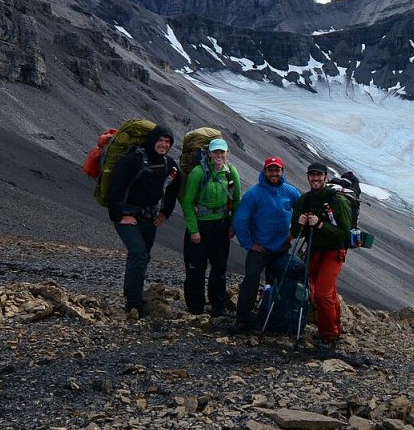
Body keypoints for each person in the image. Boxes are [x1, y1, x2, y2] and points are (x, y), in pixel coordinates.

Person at [107, 125, 181, 315]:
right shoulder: (133, 160)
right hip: (126, 216)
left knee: (143, 256)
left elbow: (173, 189)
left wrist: (165, 212)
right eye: (160, 140)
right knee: (138, 253)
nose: (164, 145)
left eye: (168, 142)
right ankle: (133, 303)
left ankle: (131, 292)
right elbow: (115, 188)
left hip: (149, 218)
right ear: (152, 140)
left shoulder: (169, 164)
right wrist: (120, 215)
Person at [230, 156, 301, 334]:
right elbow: (240, 220)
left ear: (282, 172)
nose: (274, 173)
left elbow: (302, 211)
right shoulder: (255, 193)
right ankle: (242, 320)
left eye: (277, 170)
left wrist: (294, 233)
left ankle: (272, 319)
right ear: (265, 171)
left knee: (276, 282)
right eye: (271, 170)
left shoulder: (290, 192)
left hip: (282, 247)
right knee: (251, 279)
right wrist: (249, 243)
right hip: (260, 248)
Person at [291, 162, 352, 347]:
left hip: (333, 252)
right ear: (308, 176)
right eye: (312, 175)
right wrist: (300, 223)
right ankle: (334, 329)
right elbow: (295, 230)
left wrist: (319, 225)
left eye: (319, 175)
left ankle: (329, 336)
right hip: (314, 252)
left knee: (322, 294)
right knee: (328, 292)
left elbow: (344, 233)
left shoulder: (337, 201)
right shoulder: (305, 200)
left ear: (326, 177)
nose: (315, 179)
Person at [179, 137, 241, 316]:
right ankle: (195, 308)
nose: (219, 155)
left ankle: (218, 306)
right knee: (196, 268)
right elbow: (187, 201)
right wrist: (193, 230)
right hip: (200, 227)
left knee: (219, 267)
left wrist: (232, 225)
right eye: (216, 152)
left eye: (222, 152)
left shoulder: (231, 173)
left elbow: (236, 200)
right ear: (209, 153)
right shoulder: (198, 172)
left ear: (227, 153)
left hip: (221, 226)